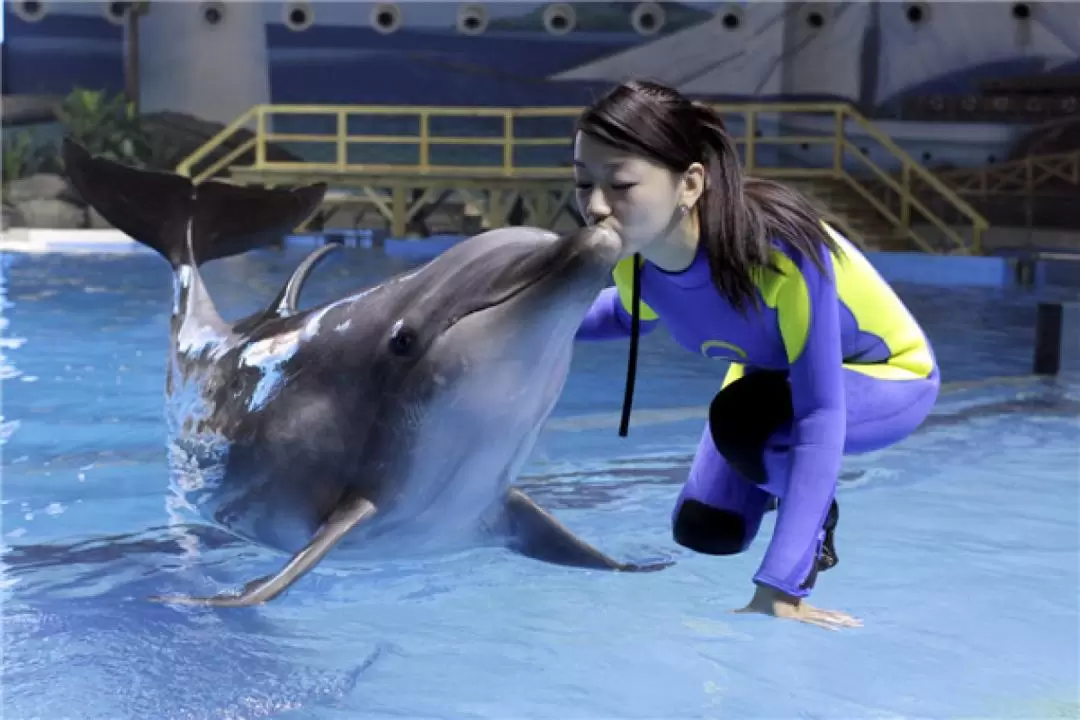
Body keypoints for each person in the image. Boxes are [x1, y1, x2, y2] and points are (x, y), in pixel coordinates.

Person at [572, 80, 940, 630]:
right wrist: (503, 318)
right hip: (765, 381)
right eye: (583, 182)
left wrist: (780, 588)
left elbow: (820, 411)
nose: (597, 206)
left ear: (689, 183)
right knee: (705, 531)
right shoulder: (635, 257)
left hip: (886, 378)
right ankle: (782, 486)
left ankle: (811, 512)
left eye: (621, 184)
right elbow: (624, 317)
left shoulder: (779, 255)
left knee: (748, 421)